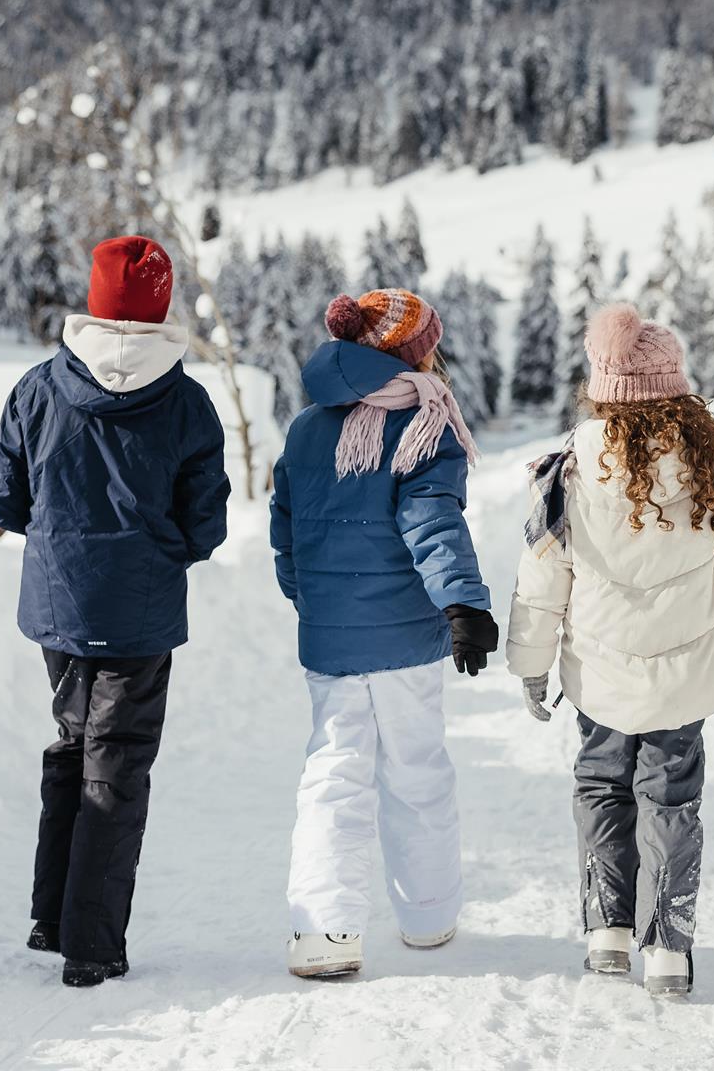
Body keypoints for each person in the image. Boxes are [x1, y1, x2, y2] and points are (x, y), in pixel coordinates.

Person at [0, 234, 231, 988]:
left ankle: (52, 918)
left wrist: (58, 535)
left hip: (59, 601)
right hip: (141, 610)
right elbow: (206, 524)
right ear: (160, 306)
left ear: (93, 302)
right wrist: (158, 554)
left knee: (72, 741)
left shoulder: (38, 388)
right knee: (114, 764)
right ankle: (91, 946)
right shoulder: (186, 402)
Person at [506, 304, 714, 998]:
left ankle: (607, 930)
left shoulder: (568, 470)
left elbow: (543, 577)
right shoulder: (707, 464)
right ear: (673, 387)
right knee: (671, 798)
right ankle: (668, 949)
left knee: (601, 784)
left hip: (599, 672)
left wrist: (533, 666)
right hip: (686, 673)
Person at [270, 286, 498, 980]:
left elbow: (287, 533)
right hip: (403, 636)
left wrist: (314, 601)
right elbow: (431, 519)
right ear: (412, 350)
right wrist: (464, 604)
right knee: (415, 771)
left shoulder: (309, 425)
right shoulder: (423, 419)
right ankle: (427, 917)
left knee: (332, 776)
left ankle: (324, 933)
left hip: (332, 637)